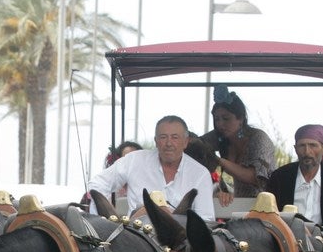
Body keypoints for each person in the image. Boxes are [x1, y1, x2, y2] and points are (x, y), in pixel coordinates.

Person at [87, 115, 215, 220]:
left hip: (179, 242)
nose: (169, 143)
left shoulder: (200, 174)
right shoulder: (134, 160)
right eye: (163, 137)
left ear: (186, 142)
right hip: (137, 238)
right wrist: (110, 218)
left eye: (175, 137)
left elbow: (206, 219)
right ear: (156, 141)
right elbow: (97, 184)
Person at [200, 85, 276, 206]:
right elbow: (196, 145)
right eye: (216, 119)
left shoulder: (259, 139)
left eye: (226, 118)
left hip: (265, 206)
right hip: (238, 205)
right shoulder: (220, 136)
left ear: (240, 118)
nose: (220, 124)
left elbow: (255, 178)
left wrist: (219, 160)